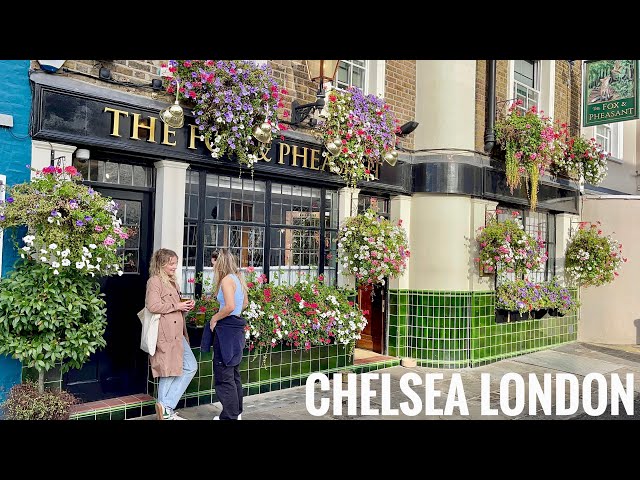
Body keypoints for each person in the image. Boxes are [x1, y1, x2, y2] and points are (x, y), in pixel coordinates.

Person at [146, 248, 197, 420]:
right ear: (161, 264)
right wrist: (178, 306)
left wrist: (186, 306)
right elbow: (152, 306)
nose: (175, 267)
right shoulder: (155, 281)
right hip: (166, 333)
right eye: (171, 263)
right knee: (171, 371)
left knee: (181, 368)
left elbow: (175, 307)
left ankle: (165, 409)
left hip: (177, 333)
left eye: (175, 263)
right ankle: (166, 410)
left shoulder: (172, 282)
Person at [209, 249, 249, 420]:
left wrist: (214, 318)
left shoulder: (226, 280)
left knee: (224, 374)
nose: (212, 268)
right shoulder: (238, 278)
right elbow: (244, 303)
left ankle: (229, 416)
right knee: (233, 374)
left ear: (220, 262)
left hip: (226, 329)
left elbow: (230, 306)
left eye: (213, 264)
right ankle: (236, 413)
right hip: (237, 329)